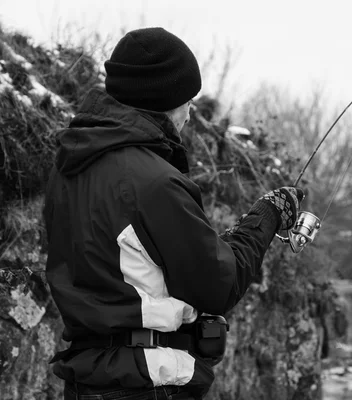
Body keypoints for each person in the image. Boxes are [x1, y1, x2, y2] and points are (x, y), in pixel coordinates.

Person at [43, 27, 304, 400]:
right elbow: (218, 286)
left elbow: (134, 259)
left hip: (88, 381)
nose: (190, 112)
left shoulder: (66, 169)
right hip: (147, 382)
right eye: (187, 100)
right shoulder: (154, 182)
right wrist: (269, 215)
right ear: (163, 100)